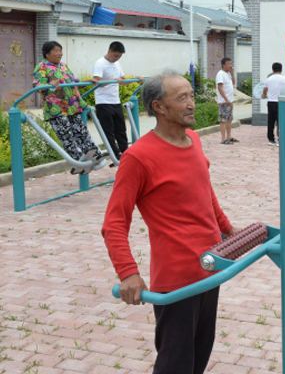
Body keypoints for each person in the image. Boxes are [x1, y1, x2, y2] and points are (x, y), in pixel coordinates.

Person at [102, 72, 241, 374]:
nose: (191, 104)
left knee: (200, 354)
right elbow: (114, 222)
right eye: (182, 98)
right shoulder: (138, 157)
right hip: (177, 280)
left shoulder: (193, 139)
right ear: (159, 107)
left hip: (210, 265)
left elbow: (205, 192)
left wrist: (229, 229)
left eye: (191, 95)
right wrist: (128, 273)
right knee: (175, 364)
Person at [33, 40, 103, 173]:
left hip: (72, 106)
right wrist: (50, 83)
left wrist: (86, 82)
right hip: (56, 109)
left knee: (81, 131)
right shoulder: (41, 67)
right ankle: (77, 161)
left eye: (61, 50)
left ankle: (94, 156)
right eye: (56, 51)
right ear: (47, 53)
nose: (60, 53)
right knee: (66, 135)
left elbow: (73, 82)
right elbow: (37, 86)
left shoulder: (64, 66)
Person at [93, 41, 141, 162]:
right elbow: (98, 83)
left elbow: (122, 80)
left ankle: (126, 153)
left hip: (115, 101)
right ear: (109, 51)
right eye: (115, 56)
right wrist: (114, 80)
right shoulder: (100, 63)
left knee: (121, 129)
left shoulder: (117, 64)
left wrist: (136, 79)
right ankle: (115, 155)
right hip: (103, 102)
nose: (116, 59)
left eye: (119, 57)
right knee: (108, 130)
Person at [263, 62, 285, 146]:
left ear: (272, 69)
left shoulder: (269, 79)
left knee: (271, 121)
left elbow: (265, 90)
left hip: (271, 102)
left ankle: (271, 139)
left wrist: (264, 95)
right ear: (281, 69)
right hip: (281, 103)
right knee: (280, 121)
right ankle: (280, 139)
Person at [215, 57, 237, 145]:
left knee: (229, 119)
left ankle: (229, 136)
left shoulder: (228, 73)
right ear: (223, 65)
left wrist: (232, 74)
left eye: (231, 64)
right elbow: (220, 87)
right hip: (224, 101)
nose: (230, 65)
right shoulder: (220, 74)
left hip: (230, 100)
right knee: (223, 120)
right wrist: (226, 99)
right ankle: (223, 138)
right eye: (228, 64)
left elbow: (233, 83)